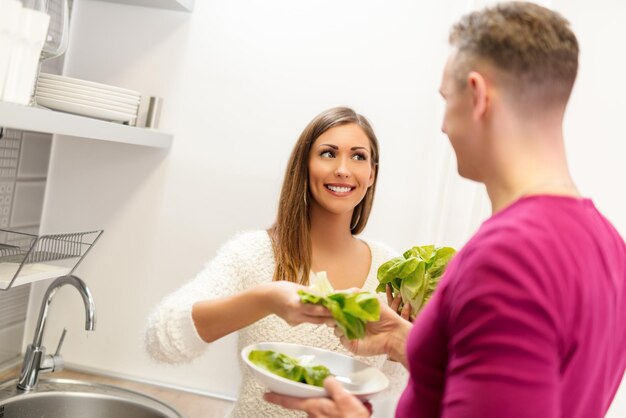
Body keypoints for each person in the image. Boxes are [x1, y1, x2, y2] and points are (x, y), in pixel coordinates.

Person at [264, 2, 626, 417]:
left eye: (446, 100)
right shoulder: (609, 245)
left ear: (477, 96)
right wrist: (404, 342)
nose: (443, 126)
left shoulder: (509, 258)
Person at [144, 106, 407, 417]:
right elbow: (162, 339)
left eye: (358, 156)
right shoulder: (254, 253)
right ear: (304, 165)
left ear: (372, 174)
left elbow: (388, 389)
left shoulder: (390, 269)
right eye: (328, 153)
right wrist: (265, 299)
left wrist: (399, 345)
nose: (343, 169)